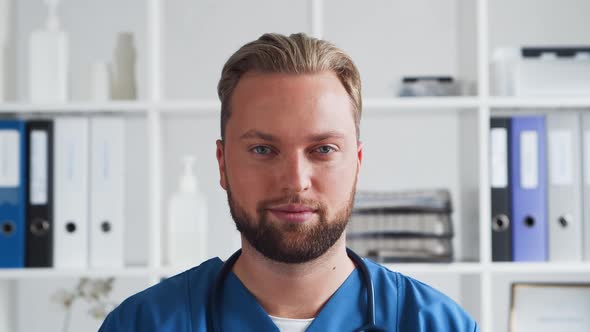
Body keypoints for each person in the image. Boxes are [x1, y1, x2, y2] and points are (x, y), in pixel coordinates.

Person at [99, 32, 479, 332]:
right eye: (263, 150)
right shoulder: (142, 323)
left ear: (357, 164)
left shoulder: (439, 325)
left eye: (323, 149)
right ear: (222, 164)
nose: (296, 181)